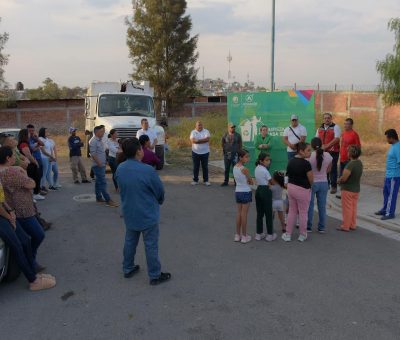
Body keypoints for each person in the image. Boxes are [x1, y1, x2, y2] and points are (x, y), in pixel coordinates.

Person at [115, 137, 171, 285]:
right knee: (151, 244)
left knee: (130, 241)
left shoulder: (120, 168)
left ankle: (127, 268)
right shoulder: (147, 170)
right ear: (139, 151)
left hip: (129, 212)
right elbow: (159, 191)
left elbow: (121, 189)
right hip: (147, 213)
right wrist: (159, 201)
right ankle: (154, 275)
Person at [0, 146, 46, 272]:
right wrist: (22, 171)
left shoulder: (7, 171)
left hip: (13, 209)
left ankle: (29, 260)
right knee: (38, 234)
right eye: (13, 156)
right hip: (23, 210)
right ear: (8, 158)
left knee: (26, 238)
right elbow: (31, 183)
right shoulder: (11, 172)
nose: (15, 158)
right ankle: (31, 260)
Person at [0, 196, 56, 291]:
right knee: (17, 247)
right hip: (2, 216)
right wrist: (10, 217)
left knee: (25, 240)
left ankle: (34, 272)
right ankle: (33, 281)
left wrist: (10, 211)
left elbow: (1, 197)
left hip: (5, 212)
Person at [282, 142, 313, 242]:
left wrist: (286, 184)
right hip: (302, 190)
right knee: (303, 212)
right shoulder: (306, 164)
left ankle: (288, 234)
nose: (310, 152)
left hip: (291, 188)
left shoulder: (291, 161)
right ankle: (302, 235)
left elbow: (287, 174)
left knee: (292, 211)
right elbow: (311, 179)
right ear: (301, 151)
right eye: (308, 150)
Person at [307, 137, 332, 233]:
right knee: (322, 206)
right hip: (324, 182)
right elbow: (329, 170)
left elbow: (307, 170)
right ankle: (322, 227)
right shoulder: (328, 155)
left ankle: (308, 226)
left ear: (312, 146)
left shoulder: (309, 156)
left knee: (310, 205)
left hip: (312, 182)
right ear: (321, 144)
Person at [89, 126, 119, 207]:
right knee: (103, 182)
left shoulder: (100, 140)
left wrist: (105, 161)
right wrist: (99, 163)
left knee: (99, 182)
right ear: (97, 132)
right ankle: (108, 200)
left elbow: (102, 152)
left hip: (101, 164)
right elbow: (93, 154)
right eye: (102, 131)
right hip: (98, 166)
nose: (103, 133)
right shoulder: (93, 141)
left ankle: (98, 197)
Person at [375, 129, 400, 220]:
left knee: (391, 195)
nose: (386, 140)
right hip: (388, 175)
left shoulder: (398, 148)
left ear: (392, 138)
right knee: (386, 193)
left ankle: (390, 213)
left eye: (387, 138)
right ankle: (385, 209)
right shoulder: (393, 145)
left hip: (394, 176)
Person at [337, 145, 363, 231]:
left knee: (347, 208)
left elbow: (344, 178)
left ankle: (346, 226)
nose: (347, 153)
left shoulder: (350, 165)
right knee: (353, 208)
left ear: (351, 154)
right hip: (356, 189)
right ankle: (352, 224)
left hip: (348, 189)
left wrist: (339, 180)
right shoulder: (359, 163)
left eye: (348, 152)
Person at [316, 112, 341, 194]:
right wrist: (318, 147)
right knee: (324, 168)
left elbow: (337, 139)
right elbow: (316, 139)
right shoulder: (320, 128)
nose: (326, 119)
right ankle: (326, 185)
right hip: (323, 152)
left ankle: (334, 186)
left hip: (333, 151)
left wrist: (326, 146)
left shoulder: (336, 127)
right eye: (325, 118)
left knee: (333, 169)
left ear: (331, 119)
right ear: (323, 119)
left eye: (328, 118)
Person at [17, 129, 44, 201]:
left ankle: (36, 194)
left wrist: (37, 146)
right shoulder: (23, 144)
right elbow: (28, 155)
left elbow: (33, 150)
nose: (30, 135)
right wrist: (35, 162)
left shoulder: (27, 143)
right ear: (25, 135)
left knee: (36, 178)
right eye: (29, 133)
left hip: (30, 163)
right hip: (29, 164)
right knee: (31, 179)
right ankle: (31, 196)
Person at [233, 149, 253, 243]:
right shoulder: (244, 169)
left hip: (238, 192)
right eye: (246, 157)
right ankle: (244, 236)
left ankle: (237, 235)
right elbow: (251, 181)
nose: (248, 158)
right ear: (241, 158)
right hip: (246, 191)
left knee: (239, 213)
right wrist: (249, 179)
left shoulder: (234, 167)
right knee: (244, 215)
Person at [254, 152, 276, 241]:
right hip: (266, 191)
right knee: (268, 213)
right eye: (267, 160)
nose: (269, 162)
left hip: (258, 190)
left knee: (259, 213)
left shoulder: (257, 168)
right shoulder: (265, 170)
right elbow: (272, 182)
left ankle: (258, 234)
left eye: (269, 160)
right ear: (261, 161)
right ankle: (270, 234)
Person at [190, 121, 211, 186]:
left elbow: (207, 139)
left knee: (205, 167)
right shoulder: (193, 132)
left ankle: (206, 180)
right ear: (195, 126)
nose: (200, 126)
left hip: (205, 152)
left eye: (201, 125)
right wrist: (202, 140)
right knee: (196, 167)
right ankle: (195, 180)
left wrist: (198, 140)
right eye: (198, 125)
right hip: (195, 152)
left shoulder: (206, 131)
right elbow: (193, 141)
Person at [221, 122, 242, 186]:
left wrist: (238, 152)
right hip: (227, 154)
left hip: (235, 155)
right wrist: (225, 151)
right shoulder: (225, 135)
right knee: (226, 168)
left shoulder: (238, 135)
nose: (233, 128)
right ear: (228, 128)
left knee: (235, 169)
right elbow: (222, 143)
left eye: (234, 127)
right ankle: (226, 181)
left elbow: (240, 144)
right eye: (232, 127)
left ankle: (236, 182)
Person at [27, 124, 45, 194]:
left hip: (39, 158)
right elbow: (33, 149)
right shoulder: (27, 140)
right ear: (27, 131)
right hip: (33, 160)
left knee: (40, 174)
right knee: (35, 175)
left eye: (33, 130)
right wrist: (38, 146)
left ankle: (39, 189)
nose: (31, 132)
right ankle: (35, 191)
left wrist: (37, 138)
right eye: (30, 131)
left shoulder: (34, 138)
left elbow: (42, 144)